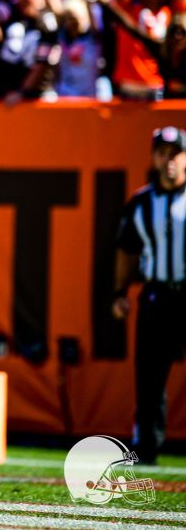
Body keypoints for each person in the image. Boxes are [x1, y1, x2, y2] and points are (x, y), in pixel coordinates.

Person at [112, 126, 186, 466]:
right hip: (157, 295)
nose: (168, 161)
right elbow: (127, 251)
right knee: (150, 376)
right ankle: (147, 446)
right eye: (162, 154)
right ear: (154, 158)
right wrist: (120, 292)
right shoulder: (141, 202)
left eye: (175, 154)